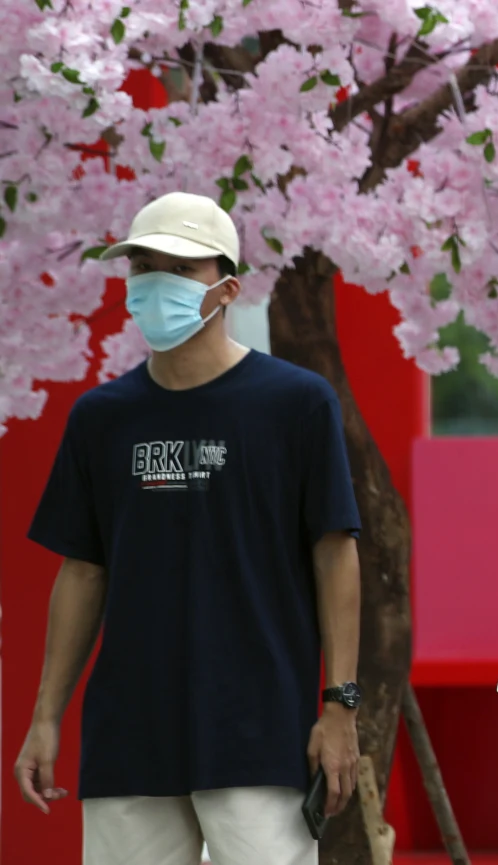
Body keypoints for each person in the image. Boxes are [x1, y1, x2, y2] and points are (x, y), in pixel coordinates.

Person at [13, 191, 364, 865]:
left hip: (261, 729)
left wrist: (340, 705)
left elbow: (334, 554)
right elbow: (83, 570)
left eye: (178, 267)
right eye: (142, 266)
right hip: (129, 734)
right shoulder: (101, 416)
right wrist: (46, 715)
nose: (154, 282)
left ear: (228, 287)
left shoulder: (295, 403)